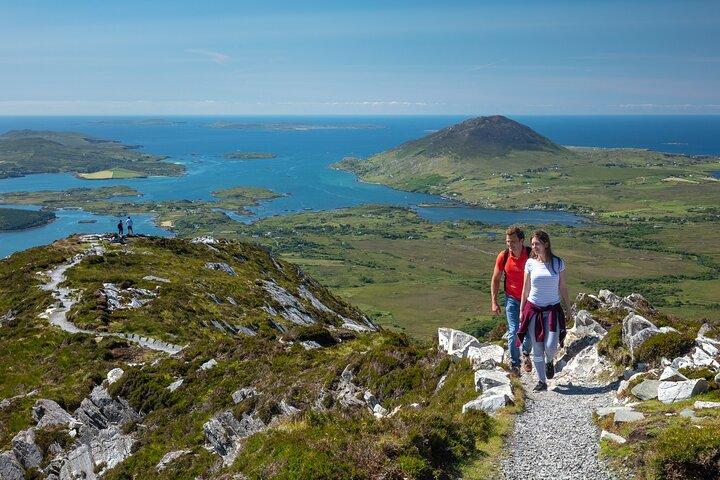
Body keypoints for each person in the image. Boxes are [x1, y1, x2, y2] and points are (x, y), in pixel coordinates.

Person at [517, 230, 571, 392]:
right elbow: (526, 289)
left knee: (550, 346)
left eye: (537, 244)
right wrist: (521, 310)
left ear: (546, 244)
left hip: (553, 310)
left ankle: (549, 361)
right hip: (533, 310)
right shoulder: (530, 263)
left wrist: (568, 308)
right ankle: (541, 381)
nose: (534, 247)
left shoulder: (558, 263)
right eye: (533, 244)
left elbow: (563, 287)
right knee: (537, 347)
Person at [491, 226, 533, 376]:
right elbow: (496, 279)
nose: (510, 245)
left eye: (513, 241)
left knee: (530, 332)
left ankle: (526, 354)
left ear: (522, 240)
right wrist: (494, 301)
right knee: (513, 330)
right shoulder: (503, 256)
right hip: (512, 299)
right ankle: (515, 364)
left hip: (530, 300)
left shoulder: (531, 254)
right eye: (508, 241)